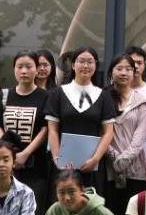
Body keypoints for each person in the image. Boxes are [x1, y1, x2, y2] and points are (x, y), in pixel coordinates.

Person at [44, 45, 115, 192]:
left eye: (90, 62)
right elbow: (52, 129)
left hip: (93, 166)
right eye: (81, 61)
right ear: (73, 65)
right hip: (63, 166)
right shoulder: (58, 94)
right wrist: (58, 160)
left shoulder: (104, 96)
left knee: (91, 202)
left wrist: (95, 159)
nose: (86, 66)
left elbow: (108, 132)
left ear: (96, 65)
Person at [0, 51, 52, 215]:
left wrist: (26, 153)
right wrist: (6, 152)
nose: (24, 71)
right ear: (14, 69)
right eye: (20, 67)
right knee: (6, 213)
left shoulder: (46, 97)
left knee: (33, 214)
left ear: (36, 69)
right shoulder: (5, 96)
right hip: (7, 166)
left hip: (36, 167)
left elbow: (45, 128)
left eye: (29, 66)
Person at [104, 52, 146, 215]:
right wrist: (114, 157)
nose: (124, 73)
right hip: (108, 170)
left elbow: (139, 140)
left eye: (128, 69)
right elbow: (101, 133)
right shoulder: (103, 98)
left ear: (134, 72)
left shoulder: (142, 102)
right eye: (119, 69)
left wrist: (121, 161)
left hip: (136, 171)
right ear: (111, 72)